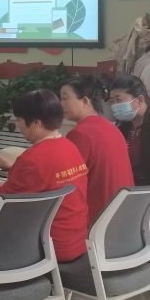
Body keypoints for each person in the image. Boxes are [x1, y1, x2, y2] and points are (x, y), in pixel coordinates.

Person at [0, 89, 88, 263]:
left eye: (19, 120)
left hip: (49, 246)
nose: (18, 125)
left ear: (36, 123)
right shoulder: (70, 147)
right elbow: (48, 180)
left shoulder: (32, 159)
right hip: (76, 241)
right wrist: (13, 168)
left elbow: (4, 202)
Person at [61, 76, 133, 225]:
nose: (61, 104)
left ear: (85, 101)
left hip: (98, 218)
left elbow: (67, 184)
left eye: (65, 98)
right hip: (123, 214)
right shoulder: (113, 129)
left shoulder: (80, 134)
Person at [108, 74, 150, 186]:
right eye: (112, 101)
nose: (114, 106)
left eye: (118, 100)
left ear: (140, 100)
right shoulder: (122, 125)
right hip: (128, 186)